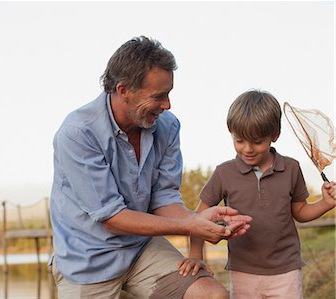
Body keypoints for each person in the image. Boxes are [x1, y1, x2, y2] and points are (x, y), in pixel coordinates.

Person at [49, 35, 252, 299]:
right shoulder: (77, 134)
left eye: (168, 94)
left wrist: (200, 220)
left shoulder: (167, 126)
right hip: (87, 260)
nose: (167, 105)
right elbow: (113, 218)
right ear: (123, 91)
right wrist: (191, 227)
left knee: (212, 295)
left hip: (140, 250)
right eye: (158, 96)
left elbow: (164, 199)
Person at [179, 90, 336, 299]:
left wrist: (325, 203)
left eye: (257, 141)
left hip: (286, 270)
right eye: (239, 140)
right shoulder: (224, 173)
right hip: (242, 270)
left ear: (274, 135)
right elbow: (199, 218)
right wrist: (196, 255)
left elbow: (300, 212)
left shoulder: (291, 168)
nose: (248, 149)